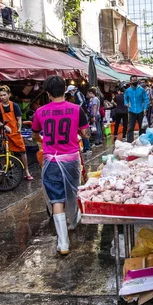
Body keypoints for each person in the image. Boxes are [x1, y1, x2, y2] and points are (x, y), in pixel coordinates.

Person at [32, 76, 90, 255]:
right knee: (72, 191)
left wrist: (43, 141)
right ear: (65, 90)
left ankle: (63, 243)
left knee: (57, 198)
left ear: (48, 93)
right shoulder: (76, 110)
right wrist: (80, 132)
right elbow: (86, 133)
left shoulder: (40, 112)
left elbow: (35, 135)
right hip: (71, 160)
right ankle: (74, 220)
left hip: (51, 161)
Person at [0, 85, 32, 180]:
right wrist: (4, 126)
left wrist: (19, 128)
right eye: (0, 95)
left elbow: (19, 118)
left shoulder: (14, 105)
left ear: (9, 95)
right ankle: (5, 169)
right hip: (5, 133)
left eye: (4, 95)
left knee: (22, 152)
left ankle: (26, 170)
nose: (2, 97)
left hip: (15, 132)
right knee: (4, 151)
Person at [66, 85, 91, 153]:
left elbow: (82, 102)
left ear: (72, 90)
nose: (70, 93)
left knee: (83, 131)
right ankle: (86, 147)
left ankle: (87, 148)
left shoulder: (78, 93)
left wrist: (76, 109)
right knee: (82, 131)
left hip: (82, 114)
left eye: (70, 92)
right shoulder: (78, 94)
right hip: (82, 114)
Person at [124, 75, 149, 143]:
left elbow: (146, 100)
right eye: (133, 80)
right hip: (131, 111)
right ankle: (130, 142)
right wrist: (126, 104)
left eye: (135, 80)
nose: (134, 82)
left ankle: (142, 141)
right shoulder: (128, 90)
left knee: (142, 128)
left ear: (137, 81)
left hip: (140, 110)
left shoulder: (142, 90)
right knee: (130, 128)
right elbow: (125, 99)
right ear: (130, 81)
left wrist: (145, 108)